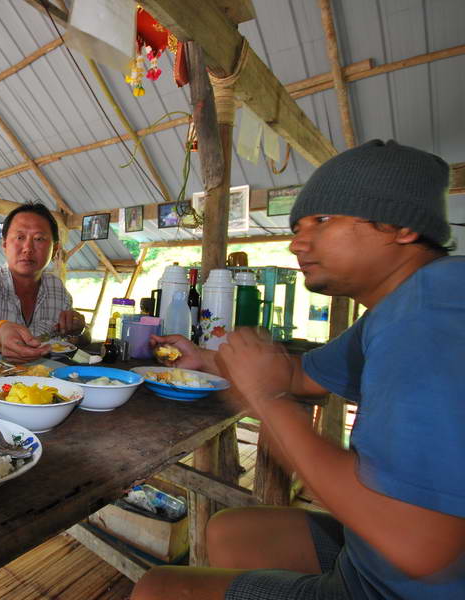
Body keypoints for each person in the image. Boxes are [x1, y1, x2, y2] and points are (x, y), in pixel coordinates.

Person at [137, 140, 465, 599]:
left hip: (407, 583)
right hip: (369, 558)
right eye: (298, 225)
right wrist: (208, 360)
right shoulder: (400, 305)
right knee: (233, 531)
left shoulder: (432, 318)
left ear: (402, 226)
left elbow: (420, 543)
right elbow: (299, 374)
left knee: (157, 590)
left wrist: (267, 403)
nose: (297, 242)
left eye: (322, 220)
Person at [0, 203, 88, 363]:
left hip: (35, 383)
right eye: (20, 237)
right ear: (5, 245)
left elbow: (77, 339)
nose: (28, 248)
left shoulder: (57, 289)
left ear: (55, 249)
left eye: (39, 239)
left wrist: (78, 326)